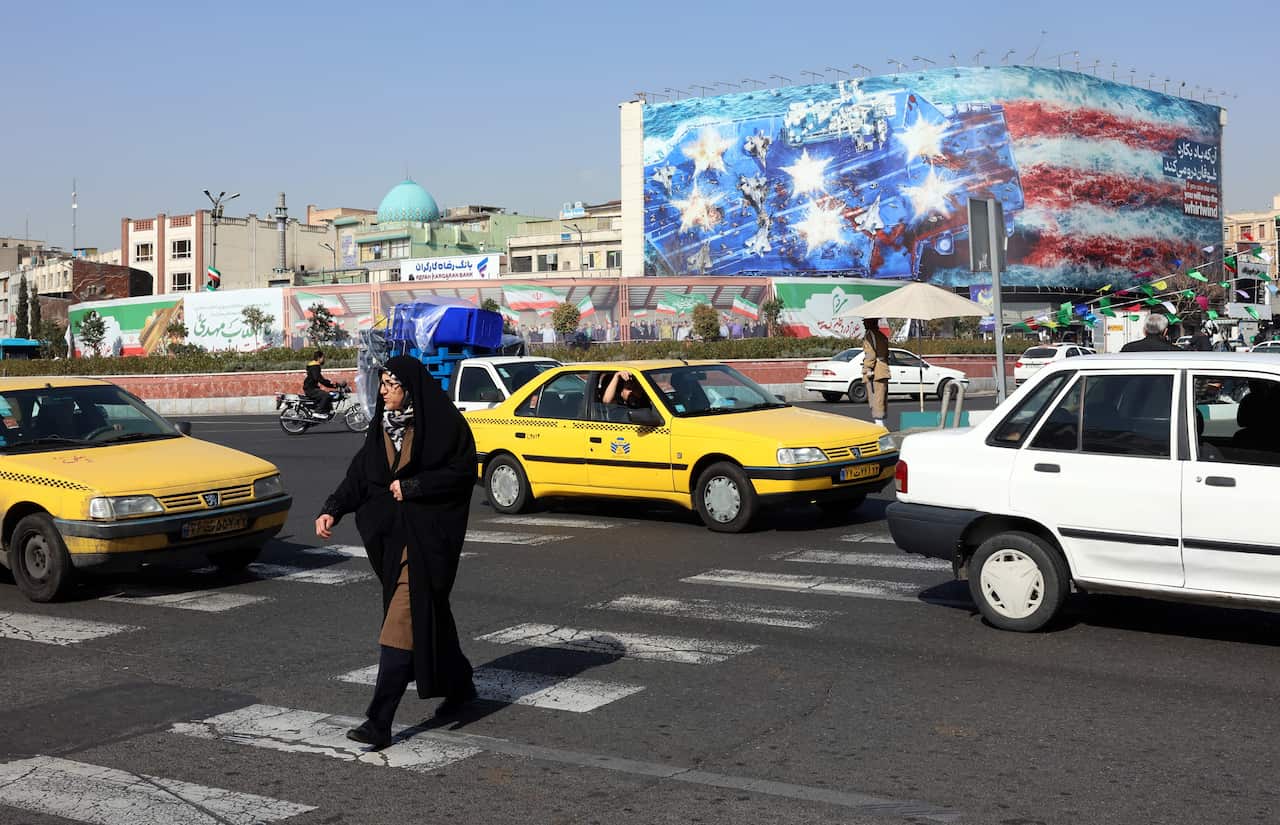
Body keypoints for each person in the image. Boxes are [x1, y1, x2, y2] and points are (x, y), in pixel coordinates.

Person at [315, 356, 478, 750]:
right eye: (382, 383)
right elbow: (359, 475)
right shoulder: (381, 430)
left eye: (391, 383)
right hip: (392, 541)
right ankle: (459, 685)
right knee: (429, 614)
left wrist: (416, 487)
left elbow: (461, 473)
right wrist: (331, 509)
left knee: (401, 621)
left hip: (429, 542)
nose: (384, 390)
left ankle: (379, 720)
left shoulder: (445, 426)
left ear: (410, 388)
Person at [861, 317, 890, 427]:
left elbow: (870, 355)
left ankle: (880, 426)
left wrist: (867, 369)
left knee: (875, 400)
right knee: (881, 399)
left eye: (865, 321)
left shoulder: (869, 335)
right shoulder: (881, 335)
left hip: (875, 371)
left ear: (870, 322)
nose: (863, 323)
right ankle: (882, 424)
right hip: (883, 369)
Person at [303, 350, 339, 416]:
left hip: (311, 388)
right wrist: (332, 385)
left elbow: (320, 378)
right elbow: (319, 378)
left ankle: (324, 411)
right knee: (326, 395)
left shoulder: (314, 366)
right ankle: (318, 412)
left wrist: (331, 385)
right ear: (319, 358)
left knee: (325, 394)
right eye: (323, 358)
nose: (324, 359)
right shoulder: (315, 366)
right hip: (311, 389)